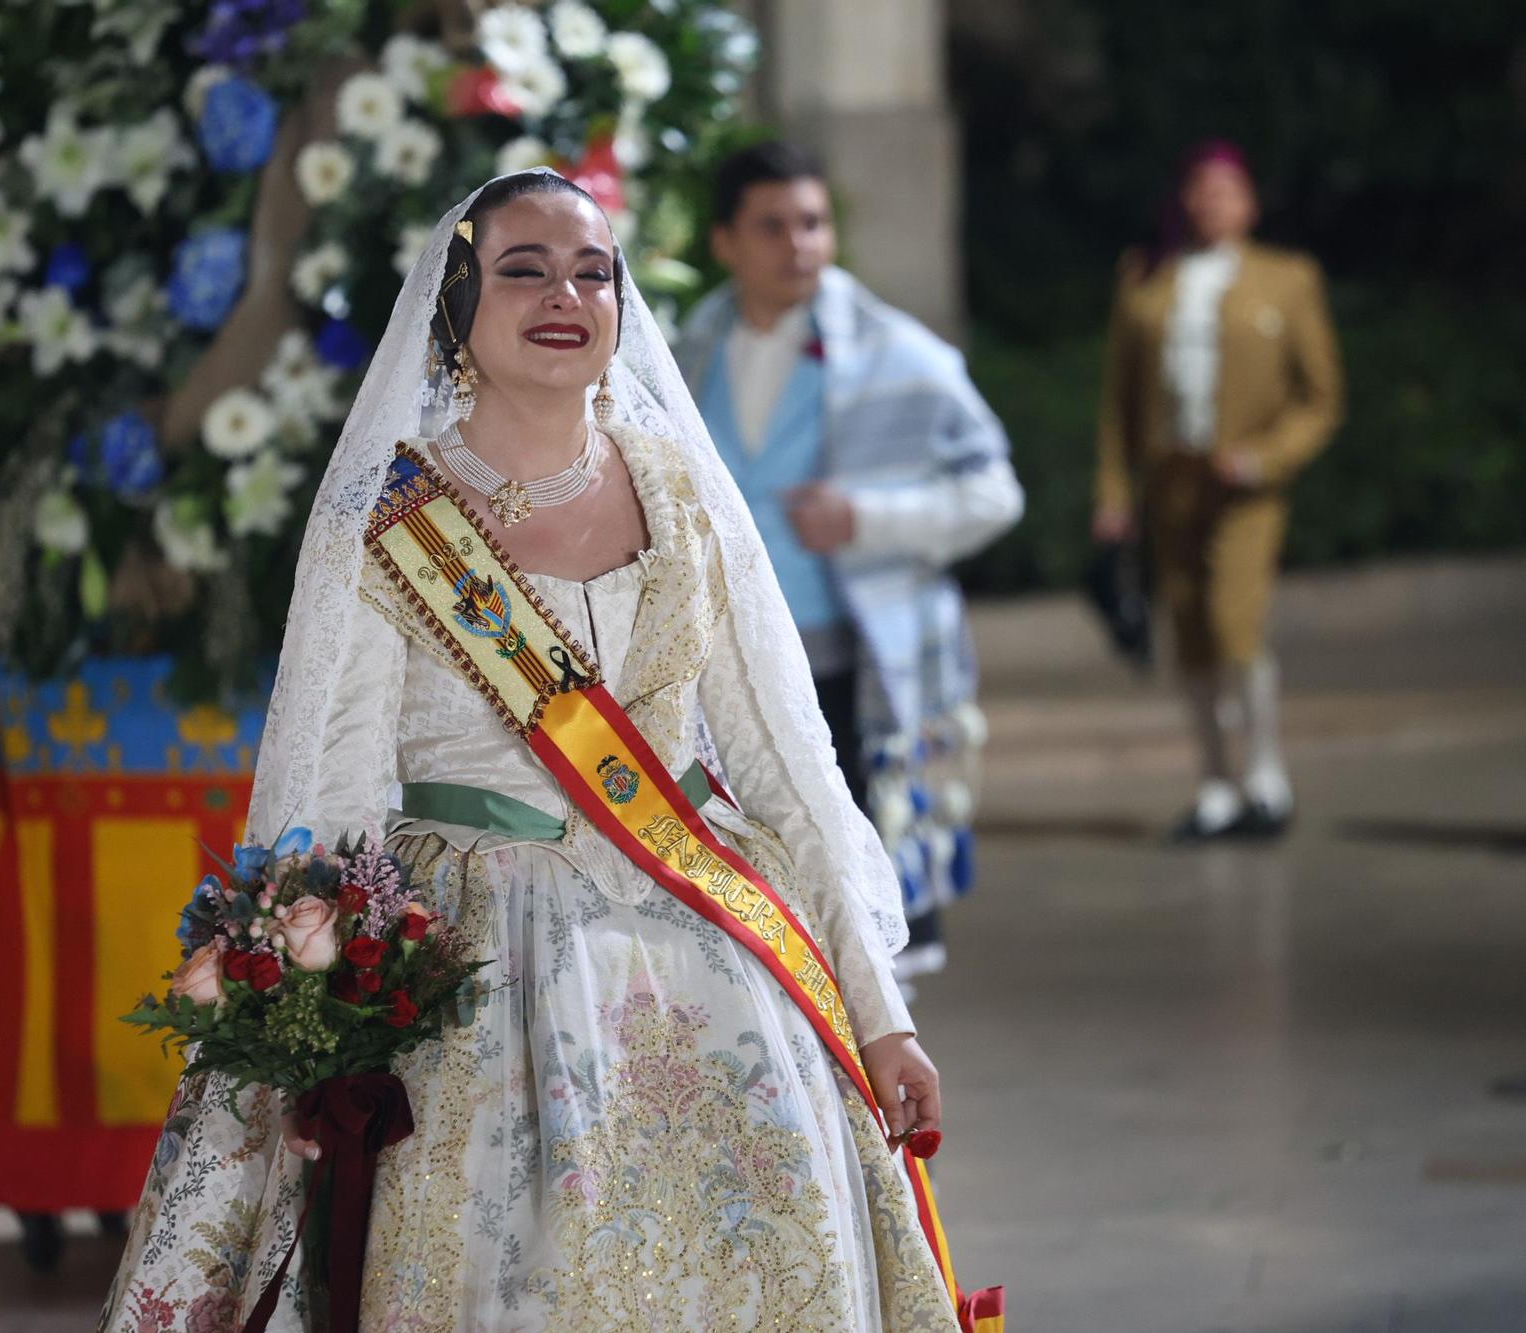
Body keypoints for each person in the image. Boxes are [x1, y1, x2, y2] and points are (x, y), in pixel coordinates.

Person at [101, 170, 970, 1332]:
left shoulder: (686, 496)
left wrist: (879, 1012)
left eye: (591, 272)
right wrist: (313, 1036)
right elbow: (334, 793)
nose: (564, 294)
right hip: (468, 973)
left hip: (708, 950)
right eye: (522, 270)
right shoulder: (389, 514)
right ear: (456, 305)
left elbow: (784, 767)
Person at [675, 142, 1022, 986]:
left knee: (862, 889)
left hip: (845, 666)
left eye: (814, 222)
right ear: (725, 241)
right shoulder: (686, 354)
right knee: (741, 890)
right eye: (773, 226)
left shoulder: (898, 353)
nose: (800, 244)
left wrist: (866, 517)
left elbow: (996, 492)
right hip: (714, 666)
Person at [1093, 140, 1343, 841]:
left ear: (1250, 201)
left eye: (1226, 190)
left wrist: (1266, 457)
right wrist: (1114, 490)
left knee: (1236, 622)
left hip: (1243, 485)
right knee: (1190, 632)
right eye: (1199, 190)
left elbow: (1319, 398)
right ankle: (1214, 780)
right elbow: (1120, 398)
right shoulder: (1147, 276)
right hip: (1171, 480)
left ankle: (1265, 771)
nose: (1211, 203)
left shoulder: (1286, 278)